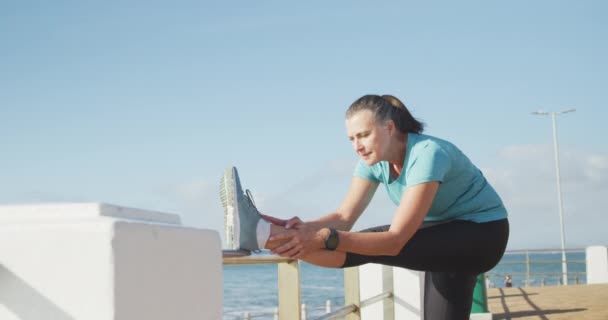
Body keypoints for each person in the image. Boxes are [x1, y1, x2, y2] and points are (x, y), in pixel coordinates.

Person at [220, 94, 509, 320]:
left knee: (372, 240)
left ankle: (260, 234)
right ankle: (266, 235)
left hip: (482, 235)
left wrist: (322, 236)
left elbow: (395, 241)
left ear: (389, 127)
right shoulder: (372, 162)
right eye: (351, 139)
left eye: (363, 135)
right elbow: (344, 218)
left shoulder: (427, 154)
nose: (357, 145)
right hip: (441, 236)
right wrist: (299, 228)